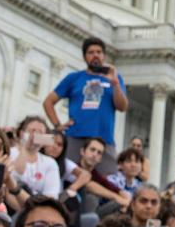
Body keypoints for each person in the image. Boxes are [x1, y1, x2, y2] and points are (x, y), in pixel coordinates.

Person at [43, 37, 128, 165]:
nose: (95, 55)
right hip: (75, 137)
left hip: (104, 140)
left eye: (99, 52)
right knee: (68, 176)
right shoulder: (74, 78)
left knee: (108, 180)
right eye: (91, 52)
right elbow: (48, 102)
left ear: (104, 56)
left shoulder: (115, 78)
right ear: (84, 57)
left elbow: (122, 107)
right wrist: (58, 126)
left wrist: (115, 84)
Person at [10, 115, 63, 199]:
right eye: (32, 131)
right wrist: (25, 145)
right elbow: (16, 175)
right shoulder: (11, 153)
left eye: (40, 132)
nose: (35, 135)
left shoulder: (50, 163)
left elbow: (52, 194)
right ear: (22, 133)